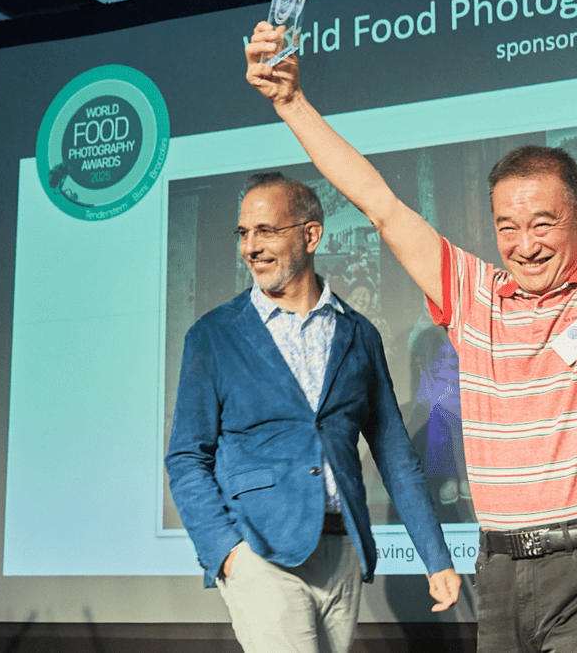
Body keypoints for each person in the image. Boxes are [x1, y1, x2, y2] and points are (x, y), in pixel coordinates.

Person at [243, 0, 577, 649]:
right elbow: (378, 204)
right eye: (508, 227)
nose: (525, 244)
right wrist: (292, 105)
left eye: (543, 223)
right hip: (501, 566)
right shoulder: (473, 294)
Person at [165, 174, 459, 653]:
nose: (250, 247)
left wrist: (436, 556)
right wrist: (226, 552)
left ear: (311, 235)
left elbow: (394, 455)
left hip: (342, 551)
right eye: (243, 233)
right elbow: (186, 458)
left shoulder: (358, 334)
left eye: (266, 231)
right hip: (260, 552)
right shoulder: (213, 335)